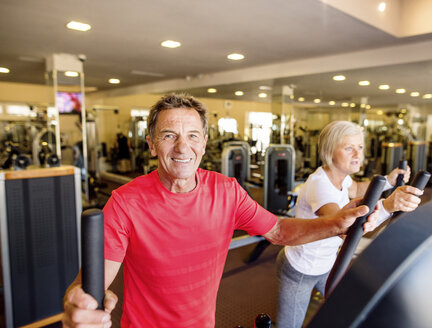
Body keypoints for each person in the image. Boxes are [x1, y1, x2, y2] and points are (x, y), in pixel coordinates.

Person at [62, 94, 381, 328]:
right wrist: (79, 305)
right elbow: (91, 284)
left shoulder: (226, 191)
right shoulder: (124, 202)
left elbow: (279, 231)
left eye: (192, 136)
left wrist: (336, 224)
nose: (182, 148)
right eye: (169, 136)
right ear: (151, 144)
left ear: (203, 143)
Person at [276, 121, 423, 328]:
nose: (357, 154)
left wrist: (389, 182)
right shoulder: (320, 186)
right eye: (349, 148)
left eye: (360, 147)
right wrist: (388, 206)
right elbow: (344, 228)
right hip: (302, 269)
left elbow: (356, 189)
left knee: (346, 303)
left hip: (326, 263)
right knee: (289, 325)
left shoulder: (340, 177)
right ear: (329, 151)